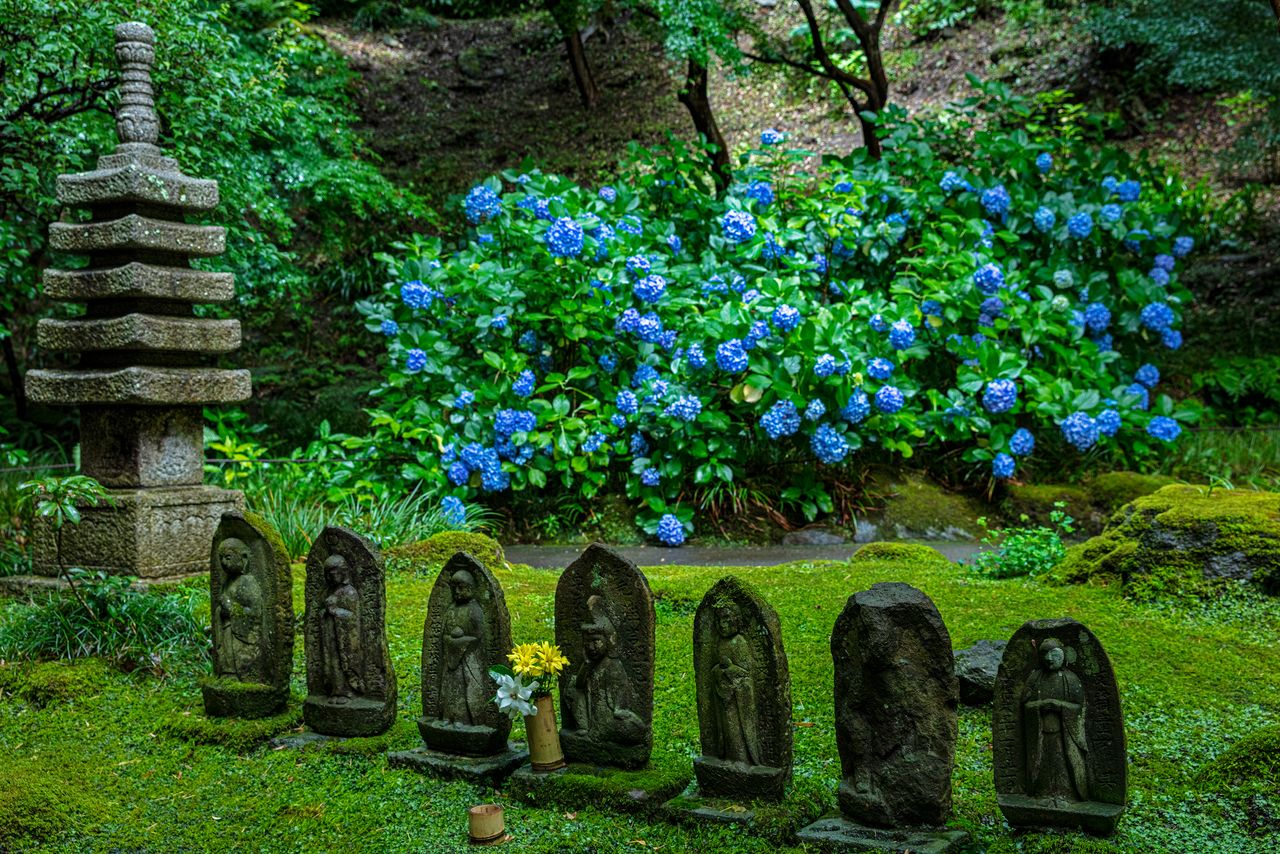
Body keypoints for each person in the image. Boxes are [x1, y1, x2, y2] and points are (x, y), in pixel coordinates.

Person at [1023, 638, 1089, 803]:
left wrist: (1059, 706)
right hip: (1041, 733)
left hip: (1064, 734)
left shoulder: (1070, 679)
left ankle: (1065, 795)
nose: (1049, 659)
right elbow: (1025, 704)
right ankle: (1043, 794)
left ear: (1064, 655)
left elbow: (1079, 706)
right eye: (1045, 654)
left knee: (1062, 763)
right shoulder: (1035, 678)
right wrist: (1040, 706)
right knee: (1043, 763)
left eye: (1054, 654)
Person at [710, 602, 760, 766]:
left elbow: (747, 674)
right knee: (726, 728)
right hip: (724, 695)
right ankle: (729, 758)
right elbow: (717, 668)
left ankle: (741, 759)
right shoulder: (719, 643)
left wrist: (730, 669)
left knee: (736, 728)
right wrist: (719, 670)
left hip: (738, 697)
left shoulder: (739, 642)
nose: (721, 624)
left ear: (735, 620)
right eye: (719, 620)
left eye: (726, 620)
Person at [440, 568, 487, 725]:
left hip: (467, 659)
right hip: (451, 657)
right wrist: (450, 640)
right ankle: (447, 716)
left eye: (461, 588)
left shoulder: (475, 610)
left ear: (470, 588)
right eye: (454, 588)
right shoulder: (451, 609)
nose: (457, 592)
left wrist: (461, 641)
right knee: (449, 687)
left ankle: (462, 719)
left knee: (463, 687)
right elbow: (444, 632)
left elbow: (478, 636)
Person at [214, 537, 264, 683]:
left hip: (241, 635)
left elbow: (255, 613)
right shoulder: (227, 583)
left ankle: (239, 675)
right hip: (226, 629)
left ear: (243, 557)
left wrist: (230, 607)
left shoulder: (247, 582)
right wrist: (221, 611)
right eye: (221, 558)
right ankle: (227, 673)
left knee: (235, 655)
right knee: (226, 655)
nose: (223, 562)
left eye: (228, 557)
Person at [321, 554, 364, 702]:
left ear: (343, 572)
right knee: (332, 664)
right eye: (328, 575)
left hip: (345, 639)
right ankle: (335, 691)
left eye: (334, 574)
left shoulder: (349, 592)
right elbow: (321, 612)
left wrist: (334, 611)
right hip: (331, 635)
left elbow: (353, 617)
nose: (331, 578)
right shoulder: (327, 592)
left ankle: (346, 692)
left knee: (342, 663)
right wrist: (325, 612)